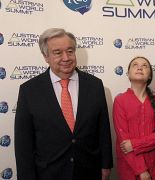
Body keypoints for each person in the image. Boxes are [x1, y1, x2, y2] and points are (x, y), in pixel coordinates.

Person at [14, 28, 113, 180]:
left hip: (89, 172)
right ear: (46, 56)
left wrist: (106, 165)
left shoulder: (95, 85)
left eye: (70, 51)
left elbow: (103, 129)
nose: (66, 57)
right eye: (58, 52)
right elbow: (23, 143)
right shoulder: (29, 90)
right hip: (48, 174)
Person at [113, 56, 155, 180]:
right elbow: (124, 141)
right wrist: (141, 170)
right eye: (135, 65)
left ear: (149, 76)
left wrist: (135, 144)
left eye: (144, 65)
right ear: (128, 74)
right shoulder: (120, 100)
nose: (139, 67)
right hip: (130, 166)